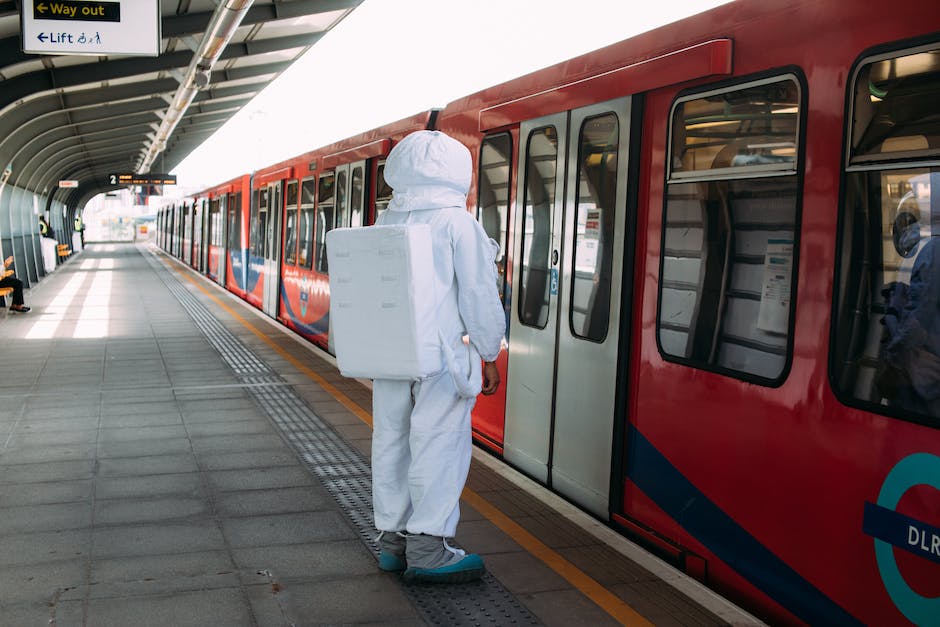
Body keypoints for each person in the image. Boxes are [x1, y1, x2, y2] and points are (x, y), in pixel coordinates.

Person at [370, 130, 505, 584]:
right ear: (457, 172)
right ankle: (428, 548)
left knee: (392, 441)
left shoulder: (385, 219)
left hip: (391, 354)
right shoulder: (457, 223)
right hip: (441, 358)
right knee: (437, 443)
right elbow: (479, 295)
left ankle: (392, 541)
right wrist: (489, 353)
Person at [878, 182, 940, 417]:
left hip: (921, 374)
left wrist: (897, 358)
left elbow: (917, 319)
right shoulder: (927, 248)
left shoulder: (930, 248)